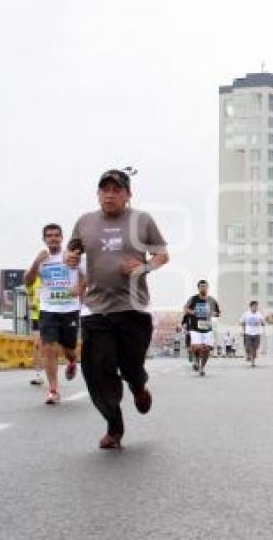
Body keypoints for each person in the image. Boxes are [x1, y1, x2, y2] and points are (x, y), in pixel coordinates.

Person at [66, 169, 169, 449]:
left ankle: (138, 386)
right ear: (98, 193)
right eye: (105, 190)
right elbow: (72, 251)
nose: (110, 195)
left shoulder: (142, 220)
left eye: (116, 190)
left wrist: (144, 267)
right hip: (97, 309)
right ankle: (114, 426)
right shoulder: (85, 222)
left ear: (128, 194)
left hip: (133, 308)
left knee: (131, 366)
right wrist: (70, 258)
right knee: (96, 370)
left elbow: (162, 254)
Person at [23, 224, 81, 404]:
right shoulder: (42, 259)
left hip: (69, 309)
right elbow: (28, 280)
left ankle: (72, 361)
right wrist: (35, 262)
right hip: (48, 309)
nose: (53, 238)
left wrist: (79, 287)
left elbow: (88, 275)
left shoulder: (71, 256)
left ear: (62, 238)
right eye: (49, 236)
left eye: (56, 235)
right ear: (44, 239)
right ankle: (53, 390)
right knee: (48, 348)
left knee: (68, 349)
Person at [184, 280, 220, 376]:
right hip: (195, 328)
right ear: (198, 288)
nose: (203, 288)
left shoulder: (211, 300)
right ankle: (196, 360)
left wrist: (212, 313)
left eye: (205, 286)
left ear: (207, 288)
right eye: (201, 286)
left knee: (207, 349)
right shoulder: (193, 299)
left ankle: (202, 367)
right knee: (197, 347)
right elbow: (185, 308)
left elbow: (218, 313)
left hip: (207, 328)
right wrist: (193, 312)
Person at [26, 277, 45, 386]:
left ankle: (52, 373)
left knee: (50, 347)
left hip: (51, 315)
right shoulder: (33, 279)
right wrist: (30, 303)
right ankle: (38, 375)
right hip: (37, 316)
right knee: (37, 345)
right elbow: (30, 294)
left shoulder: (52, 278)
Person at [240, 301, 265, 367]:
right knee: (248, 346)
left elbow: (263, 323)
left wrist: (262, 322)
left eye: (256, 306)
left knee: (255, 348)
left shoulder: (259, 314)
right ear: (251, 306)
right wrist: (243, 331)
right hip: (248, 333)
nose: (255, 307)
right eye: (254, 306)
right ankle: (248, 355)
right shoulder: (246, 314)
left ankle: (252, 362)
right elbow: (242, 322)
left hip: (257, 333)